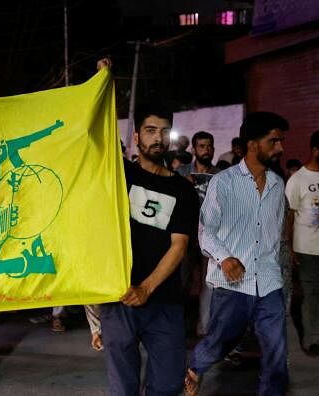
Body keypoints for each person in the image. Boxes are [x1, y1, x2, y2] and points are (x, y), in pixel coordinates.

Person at [185, 111, 289, 396]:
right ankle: (195, 366)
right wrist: (226, 258)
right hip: (233, 284)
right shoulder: (224, 183)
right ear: (253, 144)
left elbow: (276, 233)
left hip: (268, 281)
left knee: (277, 349)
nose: (280, 148)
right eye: (274, 141)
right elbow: (205, 230)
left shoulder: (278, 186)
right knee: (221, 341)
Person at [100, 104, 199, 395]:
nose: (158, 138)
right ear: (136, 138)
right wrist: (102, 84)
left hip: (163, 300)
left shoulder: (183, 190)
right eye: (150, 130)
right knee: (123, 387)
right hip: (118, 298)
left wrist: (146, 288)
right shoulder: (118, 176)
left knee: (168, 384)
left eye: (164, 131)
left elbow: (179, 246)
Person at [176, 131, 220, 336]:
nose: (207, 150)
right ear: (193, 149)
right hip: (185, 235)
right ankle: (175, 326)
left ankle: (204, 328)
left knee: (208, 284)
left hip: (211, 236)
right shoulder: (182, 172)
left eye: (209, 146)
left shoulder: (221, 174)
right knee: (181, 282)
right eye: (202, 146)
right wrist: (183, 185)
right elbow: (170, 198)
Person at [285, 130, 319, 355]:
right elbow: (289, 216)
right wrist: (290, 247)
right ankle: (312, 339)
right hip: (307, 248)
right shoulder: (298, 179)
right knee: (311, 293)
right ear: (315, 150)